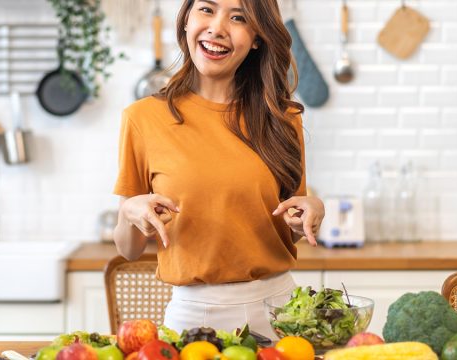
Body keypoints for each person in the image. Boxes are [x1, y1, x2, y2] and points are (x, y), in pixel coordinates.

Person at [113, 0, 325, 338]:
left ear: (257, 37)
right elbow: (129, 249)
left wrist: (311, 211)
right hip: (193, 316)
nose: (217, 28)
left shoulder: (283, 118)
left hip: (279, 310)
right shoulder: (142, 119)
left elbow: (292, 222)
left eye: (238, 17)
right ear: (186, 22)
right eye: (207, 10)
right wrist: (128, 210)